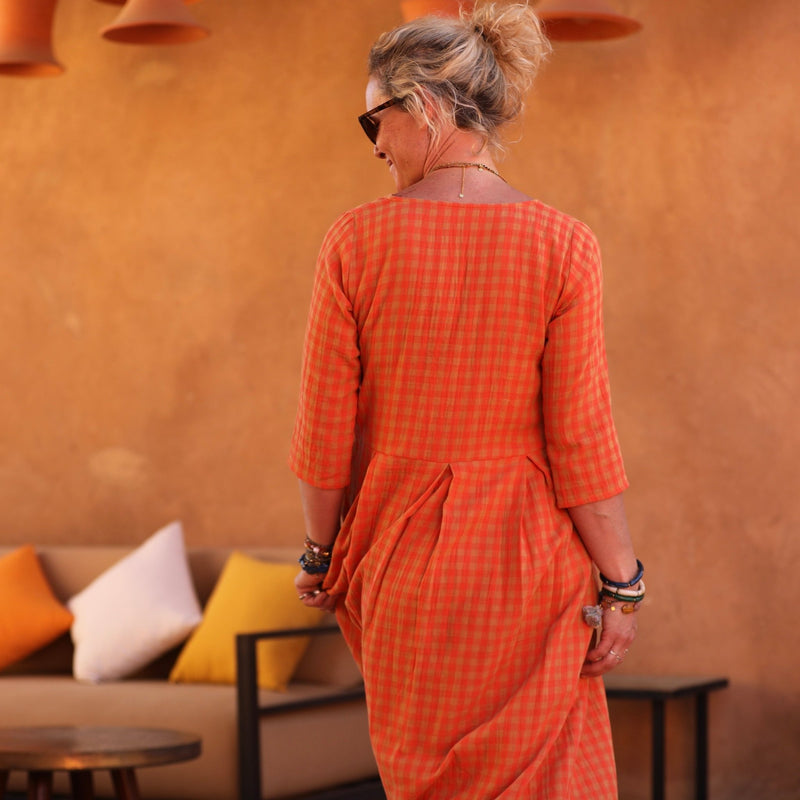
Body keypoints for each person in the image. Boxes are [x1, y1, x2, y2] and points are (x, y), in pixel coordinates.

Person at [290, 3, 643, 798]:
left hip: (399, 564)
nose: (374, 142)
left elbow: (323, 429)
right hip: (530, 570)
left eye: (375, 119)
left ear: (425, 107)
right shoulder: (564, 244)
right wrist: (623, 584)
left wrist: (320, 552)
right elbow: (580, 437)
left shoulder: (354, 241)